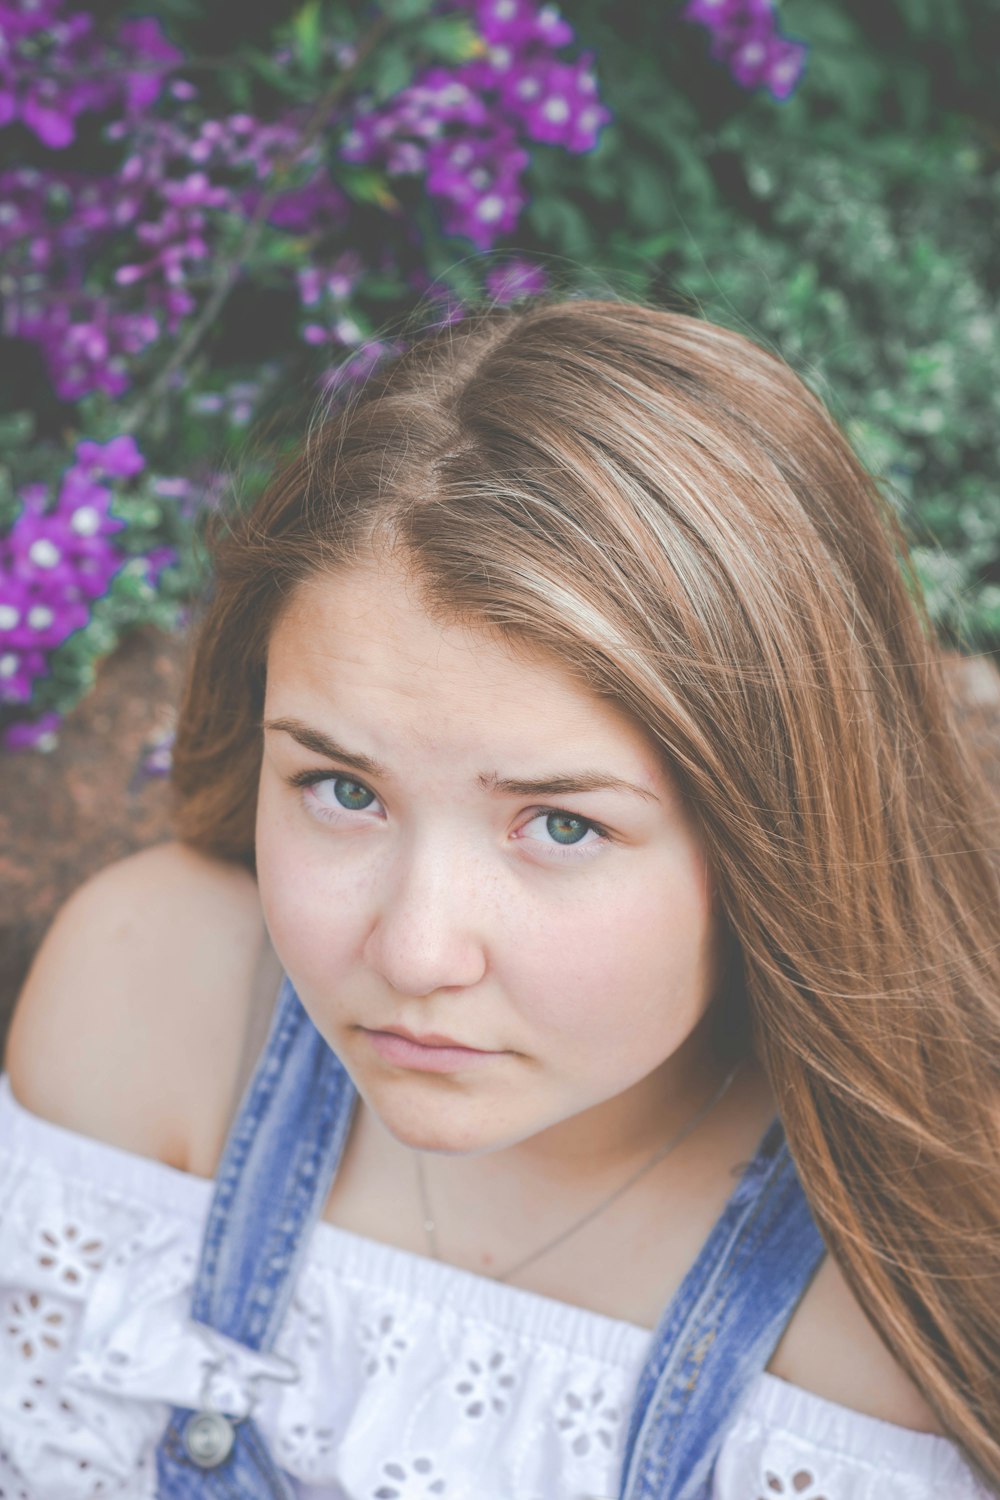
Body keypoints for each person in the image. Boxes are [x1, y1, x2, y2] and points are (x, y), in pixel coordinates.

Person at [2, 296, 998, 1500]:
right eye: (340, 790)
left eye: (562, 825)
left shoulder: (915, 1306)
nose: (416, 951)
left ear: (777, 831)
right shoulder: (155, 1004)